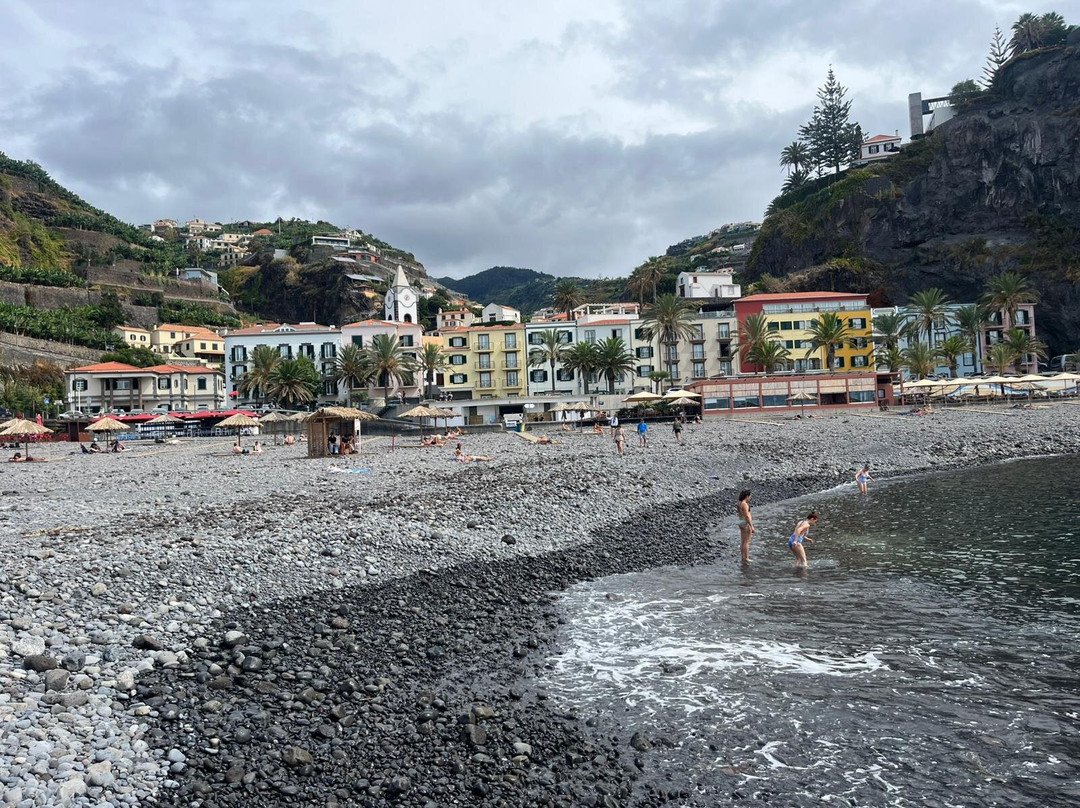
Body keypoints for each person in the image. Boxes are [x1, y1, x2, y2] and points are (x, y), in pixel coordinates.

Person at [737, 490, 755, 564]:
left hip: (740, 522)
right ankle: (746, 558)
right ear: (747, 496)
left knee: (743, 541)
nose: (750, 498)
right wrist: (751, 525)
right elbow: (747, 516)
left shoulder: (739, 503)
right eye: (750, 496)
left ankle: (742, 557)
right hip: (745, 523)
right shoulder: (745, 504)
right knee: (747, 542)